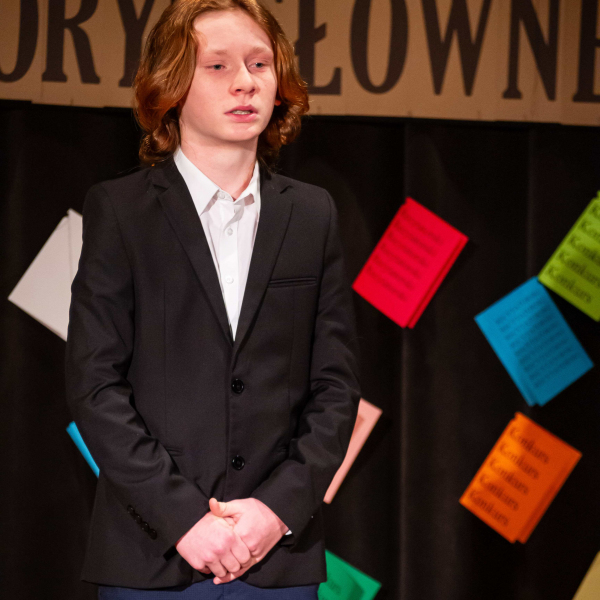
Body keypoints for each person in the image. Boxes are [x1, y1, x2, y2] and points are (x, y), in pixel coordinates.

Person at [65, 0, 360, 598]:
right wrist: (184, 520)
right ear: (171, 86)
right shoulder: (120, 211)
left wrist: (276, 511)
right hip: (153, 554)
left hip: (275, 557)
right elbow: (95, 385)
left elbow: (335, 387)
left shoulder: (313, 214)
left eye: (259, 64)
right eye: (218, 66)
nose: (245, 82)